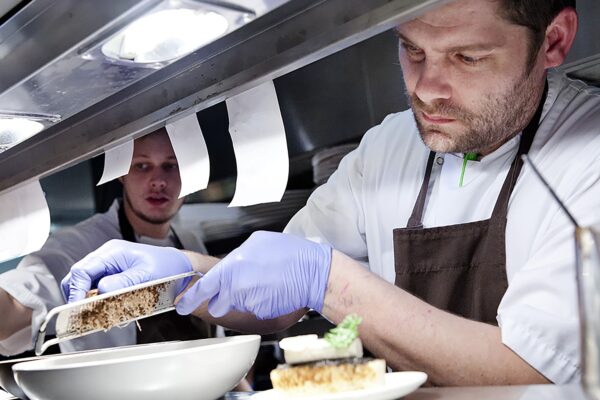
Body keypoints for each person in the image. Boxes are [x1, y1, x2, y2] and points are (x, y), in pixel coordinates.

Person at [62, 0, 599, 386]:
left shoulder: (588, 153)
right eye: (412, 50)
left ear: (553, 41)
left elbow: (539, 364)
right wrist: (177, 272)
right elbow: (276, 296)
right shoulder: (388, 147)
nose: (426, 88)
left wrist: (333, 283)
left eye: (467, 58)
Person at [0, 128, 212, 356]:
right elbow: (11, 310)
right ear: (121, 173)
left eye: (171, 166)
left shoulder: (191, 243)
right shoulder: (79, 247)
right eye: (141, 165)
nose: (158, 181)